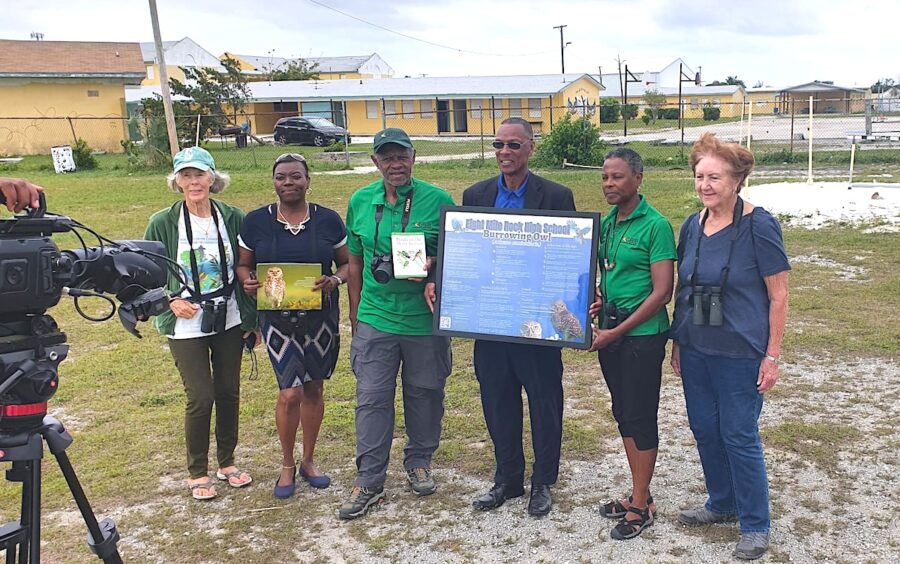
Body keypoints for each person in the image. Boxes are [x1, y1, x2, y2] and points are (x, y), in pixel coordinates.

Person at [429, 117, 575, 516]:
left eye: (514, 145)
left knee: (545, 403)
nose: (505, 153)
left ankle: (543, 481)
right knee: (497, 401)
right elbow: (465, 253)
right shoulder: (475, 193)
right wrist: (441, 280)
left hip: (537, 322)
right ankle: (507, 479)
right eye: (498, 145)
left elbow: (567, 258)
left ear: (531, 148)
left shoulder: (557, 195)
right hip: (490, 319)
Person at [670, 133, 790, 560]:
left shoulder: (759, 224)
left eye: (714, 177)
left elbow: (778, 295)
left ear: (737, 180)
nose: (705, 185)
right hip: (697, 346)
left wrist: (771, 355)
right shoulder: (692, 224)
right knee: (704, 428)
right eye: (700, 176)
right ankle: (722, 502)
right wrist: (679, 341)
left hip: (741, 351)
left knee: (738, 434)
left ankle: (756, 523)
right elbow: (686, 285)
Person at [340, 128, 455, 520]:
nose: (395, 164)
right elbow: (354, 262)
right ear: (375, 162)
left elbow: (459, 257)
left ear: (414, 156)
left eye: (401, 155)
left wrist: (435, 267)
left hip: (424, 321)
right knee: (372, 400)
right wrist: (355, 314)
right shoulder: (360, 201)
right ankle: (369, 479)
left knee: (425, 393)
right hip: (376, 318)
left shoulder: (438, 201)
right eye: (386, 157)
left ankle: (419, 460)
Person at [144, 147, 257, 501]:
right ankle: (197, 470)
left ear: (213, 177)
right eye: (186, 175)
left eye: (200, 174)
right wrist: (170, 300)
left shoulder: (232, 216)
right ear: (176, 182)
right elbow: (146, 271)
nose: (193, 182)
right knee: (200, 396)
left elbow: (245, 267)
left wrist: (251, 318)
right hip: (185, 321)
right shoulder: (163, 221)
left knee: (228, 392)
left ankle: (227, 462)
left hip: (229, 316)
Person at [236, 153, 349, 499]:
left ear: (307, 180)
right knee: (289, 393)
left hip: (320, 320)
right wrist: (248, 282)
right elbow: (244, 266)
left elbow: (346, 265)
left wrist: (333, 280)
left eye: (296, 176)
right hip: (277, 319)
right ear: (274, 182)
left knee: (314, 389)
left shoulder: (328, 220)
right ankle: (287, 464)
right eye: (282, 177)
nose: (289, 183)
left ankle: (309, 461)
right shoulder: (256, 222)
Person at [588, 148, 675, 539]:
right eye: (605, 177)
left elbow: (662, 293)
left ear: (638, 179)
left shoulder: (655, 226)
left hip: (640, 337)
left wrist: (617, 331)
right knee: (623, 412)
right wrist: (603, 302)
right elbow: (612, 274)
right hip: (612, 332)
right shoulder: (607, 223)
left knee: (641, 416)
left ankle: (640, 507)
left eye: (618, 177)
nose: (609, 184)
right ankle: (642, 494)